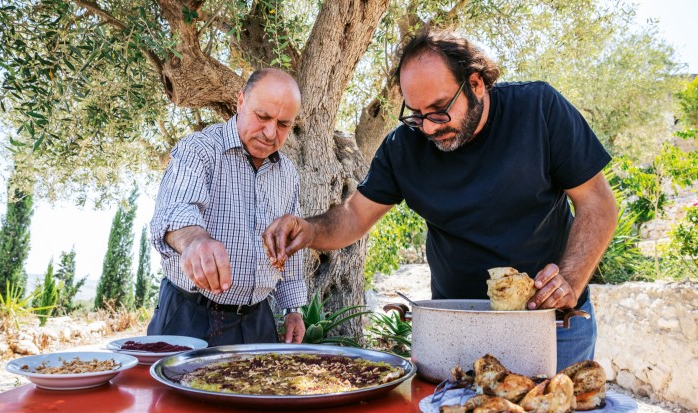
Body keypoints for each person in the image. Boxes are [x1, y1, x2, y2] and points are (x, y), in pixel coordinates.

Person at [262, 29, 618, 370]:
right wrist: (308, 230)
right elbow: (354, 216)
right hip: (456, 331)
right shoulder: (403, 147)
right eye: (417, 115)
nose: (429, 127)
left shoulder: (539, 109)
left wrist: (570, 280)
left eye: (438, 109)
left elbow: (597, 204)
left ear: (475, 84)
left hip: (554, 326)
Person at [148, 68, 307, 346]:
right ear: (241, 101)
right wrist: (195, 241)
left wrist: (293, 310)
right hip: (190, 316)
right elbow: (175, 209)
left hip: (258, 320)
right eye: (263, 116)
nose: (271, 133)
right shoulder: (199, 150)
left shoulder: (288, 174)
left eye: (283, 124)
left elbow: (289, 246)